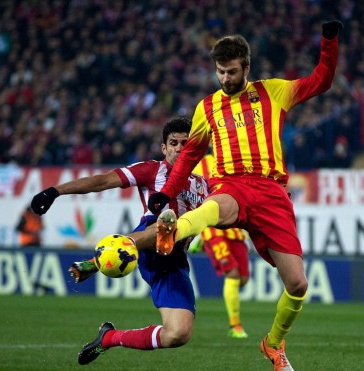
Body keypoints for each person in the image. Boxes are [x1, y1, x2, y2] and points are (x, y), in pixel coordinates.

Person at [147, 21, 343, 371]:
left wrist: (328, 41)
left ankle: (273, 344)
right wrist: (165, 195)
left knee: (297, 284)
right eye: (220, 72)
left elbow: (322, 80)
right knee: (215, 206)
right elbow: (190, 156)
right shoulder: (206, 107)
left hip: (271, 192)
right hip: (230, 182)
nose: (225, 78)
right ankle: (171, 229)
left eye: (232, 71)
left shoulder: (275, 92)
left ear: (246, 67)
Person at [30, 117, 207, 365]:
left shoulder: (203, 185)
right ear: (164, 148)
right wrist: (56, 191)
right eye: (173, 143)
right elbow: (103, 181)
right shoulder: (151, 170)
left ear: (193, 149)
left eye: (184, 144)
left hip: (174, 260)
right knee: (162, 224)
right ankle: (131, 245)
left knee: (178, 334)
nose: (179, 148)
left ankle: (109, 338)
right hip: (149, 238)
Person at [189, 153, 250, 339]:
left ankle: (200, 243)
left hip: (235, 225)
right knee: (232, 273)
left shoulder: (239, 160)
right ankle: (235, 326)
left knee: (243, 279)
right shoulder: (200, 164)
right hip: (213, 227)